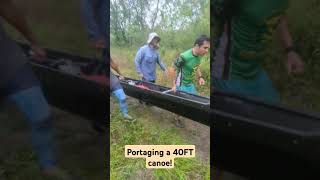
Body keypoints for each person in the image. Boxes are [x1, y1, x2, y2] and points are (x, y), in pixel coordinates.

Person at [0, 1, 75, 179]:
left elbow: (8, 8)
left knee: (41, 115)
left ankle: (48, 166)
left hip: (10, 64)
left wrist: (33, 41)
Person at [212, 0, 304, 104]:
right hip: (228, 73)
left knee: (276, 114)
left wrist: (290, 50)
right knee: (239, 118)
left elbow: (278, 16)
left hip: (255, 71)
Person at [171, 35, 210, 127]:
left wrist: (200, 77)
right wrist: (173, 85)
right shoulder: (184, 56)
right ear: (197, 46)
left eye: (208, 48)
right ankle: (176, 118)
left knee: (193, 100)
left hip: (189, 83)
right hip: (181, 83)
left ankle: (185, 113)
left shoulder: (200, 55)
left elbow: (196, 66)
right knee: (182, 103)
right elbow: (172, 69)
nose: (207, 51)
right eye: (205, 48)